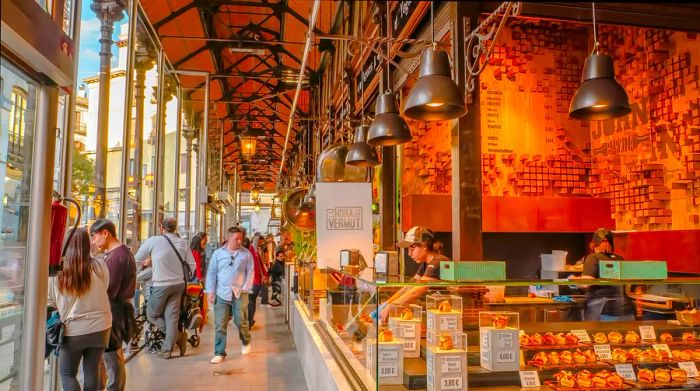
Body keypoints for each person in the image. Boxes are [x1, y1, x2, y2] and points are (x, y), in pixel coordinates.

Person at [48, 228, 112, 391]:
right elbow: (105, 287)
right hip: (101, 326)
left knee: (68, 374)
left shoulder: (57, 272)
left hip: (73, 330)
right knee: (92, 371)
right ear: (86, 244)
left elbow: (51, 301)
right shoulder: (99, 265)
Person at [134, 217, 196, 359]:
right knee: (171, 318)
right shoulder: (183, 243)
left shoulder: (154, 241)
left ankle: (179, 337)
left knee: (152, 315)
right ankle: (167, 350)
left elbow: (137, 258)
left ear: (161, 227)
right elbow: (192, 265)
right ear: (175, 228)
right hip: (179, 285)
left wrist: (143, 268)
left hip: (161, 285)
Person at [89, 219, 136, 391]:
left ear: (105, 233)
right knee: (109, 354)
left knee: (112, 355)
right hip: (115, 309)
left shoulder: (117, 257)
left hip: (113, 311)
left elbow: (109, 290)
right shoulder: (120, 253)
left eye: (94, 237)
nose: (93, 241)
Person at [377, 226, 447, 321]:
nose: (409, 254)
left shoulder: (438, 262)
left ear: (424, 246)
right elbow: (409, 287)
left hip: (445, 312)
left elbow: (416, 291)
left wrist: (390, 307)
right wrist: (386, 304)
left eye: (412, 249)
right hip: (435, 311)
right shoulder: (425, 264)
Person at [206, 227, 254, 364]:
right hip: (222, 293)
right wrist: (210, 291)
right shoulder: (218, 254)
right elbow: (212, 273)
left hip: (239, 292)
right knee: (220, 324)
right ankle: (219, 352)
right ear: (229, 238)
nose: (239, 241)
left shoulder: (246, 254)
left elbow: (250, 271)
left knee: (240, 320)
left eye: (241, 238)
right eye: (236, 239)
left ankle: (246, 340)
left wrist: (246, 287)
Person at [571, 228, 632, 321]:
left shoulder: (593, 258)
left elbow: (586, 283)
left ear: (594, 245)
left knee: (598, 335)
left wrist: (573, 279)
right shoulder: (620, 259)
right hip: (626, 311)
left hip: (604, 312)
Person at [248, 235, 269, 328]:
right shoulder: (254, 252)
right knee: (252, 301)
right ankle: (250, 320)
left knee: (250, 301)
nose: (262, 244)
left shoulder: (253, 252)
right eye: (261, 242)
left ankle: (249, 320)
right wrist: (265, 276)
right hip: (255, 281)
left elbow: (259, 265)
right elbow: (259, 266)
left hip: (253, 281)